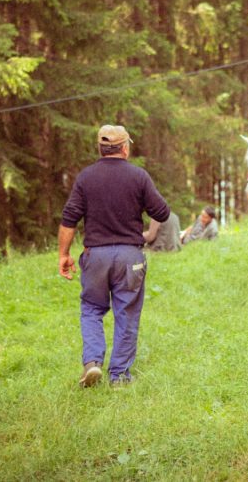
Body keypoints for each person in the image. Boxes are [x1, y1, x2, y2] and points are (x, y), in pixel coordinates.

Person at [58, 124, 170, 388]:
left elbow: (69, 219)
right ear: (125, 148)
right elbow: (162, 213)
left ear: (100, 148)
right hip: (130, 256)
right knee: (127, 313)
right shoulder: (139, 176)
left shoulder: (85, 177)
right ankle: (118, 376)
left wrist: (64, 254)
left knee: (92, 309)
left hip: (95, 255)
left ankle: (93, 363)